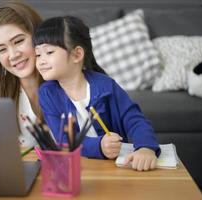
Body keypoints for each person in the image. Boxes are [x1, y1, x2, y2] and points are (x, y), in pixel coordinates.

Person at [33, 16, 161, 171]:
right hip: (77, 170)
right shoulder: (47, 93)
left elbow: (135, 119)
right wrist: (99, 146)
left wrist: (145, 148)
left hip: (115, 169)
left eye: (49, 52)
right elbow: (64, 141)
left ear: (77, 54)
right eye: (38, 54)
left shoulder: (106, 85)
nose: (40, 61)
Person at [0, 0, 43, 148]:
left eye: (19, 41)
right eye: (2, 49)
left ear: (38, 35)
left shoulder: (68, 80)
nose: (13, 55)